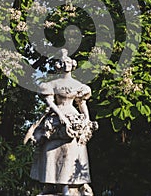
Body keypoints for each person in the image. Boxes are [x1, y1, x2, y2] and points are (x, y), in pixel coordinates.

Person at [24, 49, 98, 196]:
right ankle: (49, 185)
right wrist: (61, 116)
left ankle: (67, 185)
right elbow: (50, 103)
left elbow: (82, 103)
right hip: (57, 119)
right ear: (58, 65)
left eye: (69, 62)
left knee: (71, 152)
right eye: (63, 62)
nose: (66, 65)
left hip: (73, 117)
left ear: (73, 64)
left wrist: (87, 121)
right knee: (50, 152)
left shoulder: (78, 85)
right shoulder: (53, 84)